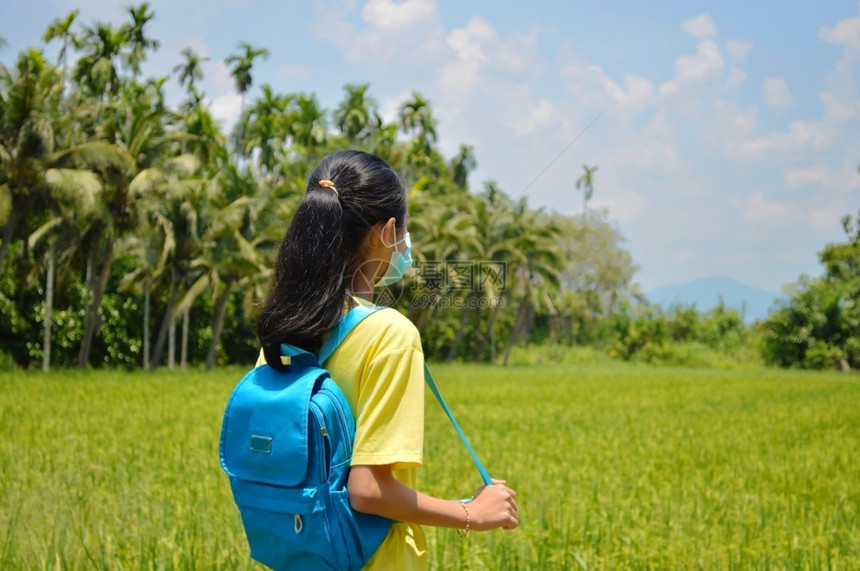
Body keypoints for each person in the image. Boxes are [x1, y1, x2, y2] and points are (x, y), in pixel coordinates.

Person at [255, 150, 518, 569]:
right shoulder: (390, 334)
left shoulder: (283, 334)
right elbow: (368, 489)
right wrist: (474, 513)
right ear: (387, 233)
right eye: (404, 231)